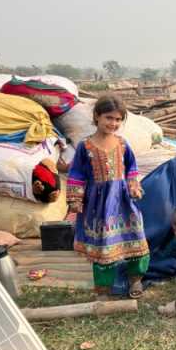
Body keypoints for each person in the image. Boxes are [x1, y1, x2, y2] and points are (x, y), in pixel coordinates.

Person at [67, 96, 149, 299]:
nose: (113, 123)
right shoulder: (85, 147)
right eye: (109, 118)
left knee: (136, 238)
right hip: (98, 206)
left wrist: (133, 185)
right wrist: (75, 200)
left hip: (123, 202)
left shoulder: (122, 144)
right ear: (97, 116)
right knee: (103, 248)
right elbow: (76, 174)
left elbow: (132, 167)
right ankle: (103, 289)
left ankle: (135, 279)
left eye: (118, 119)